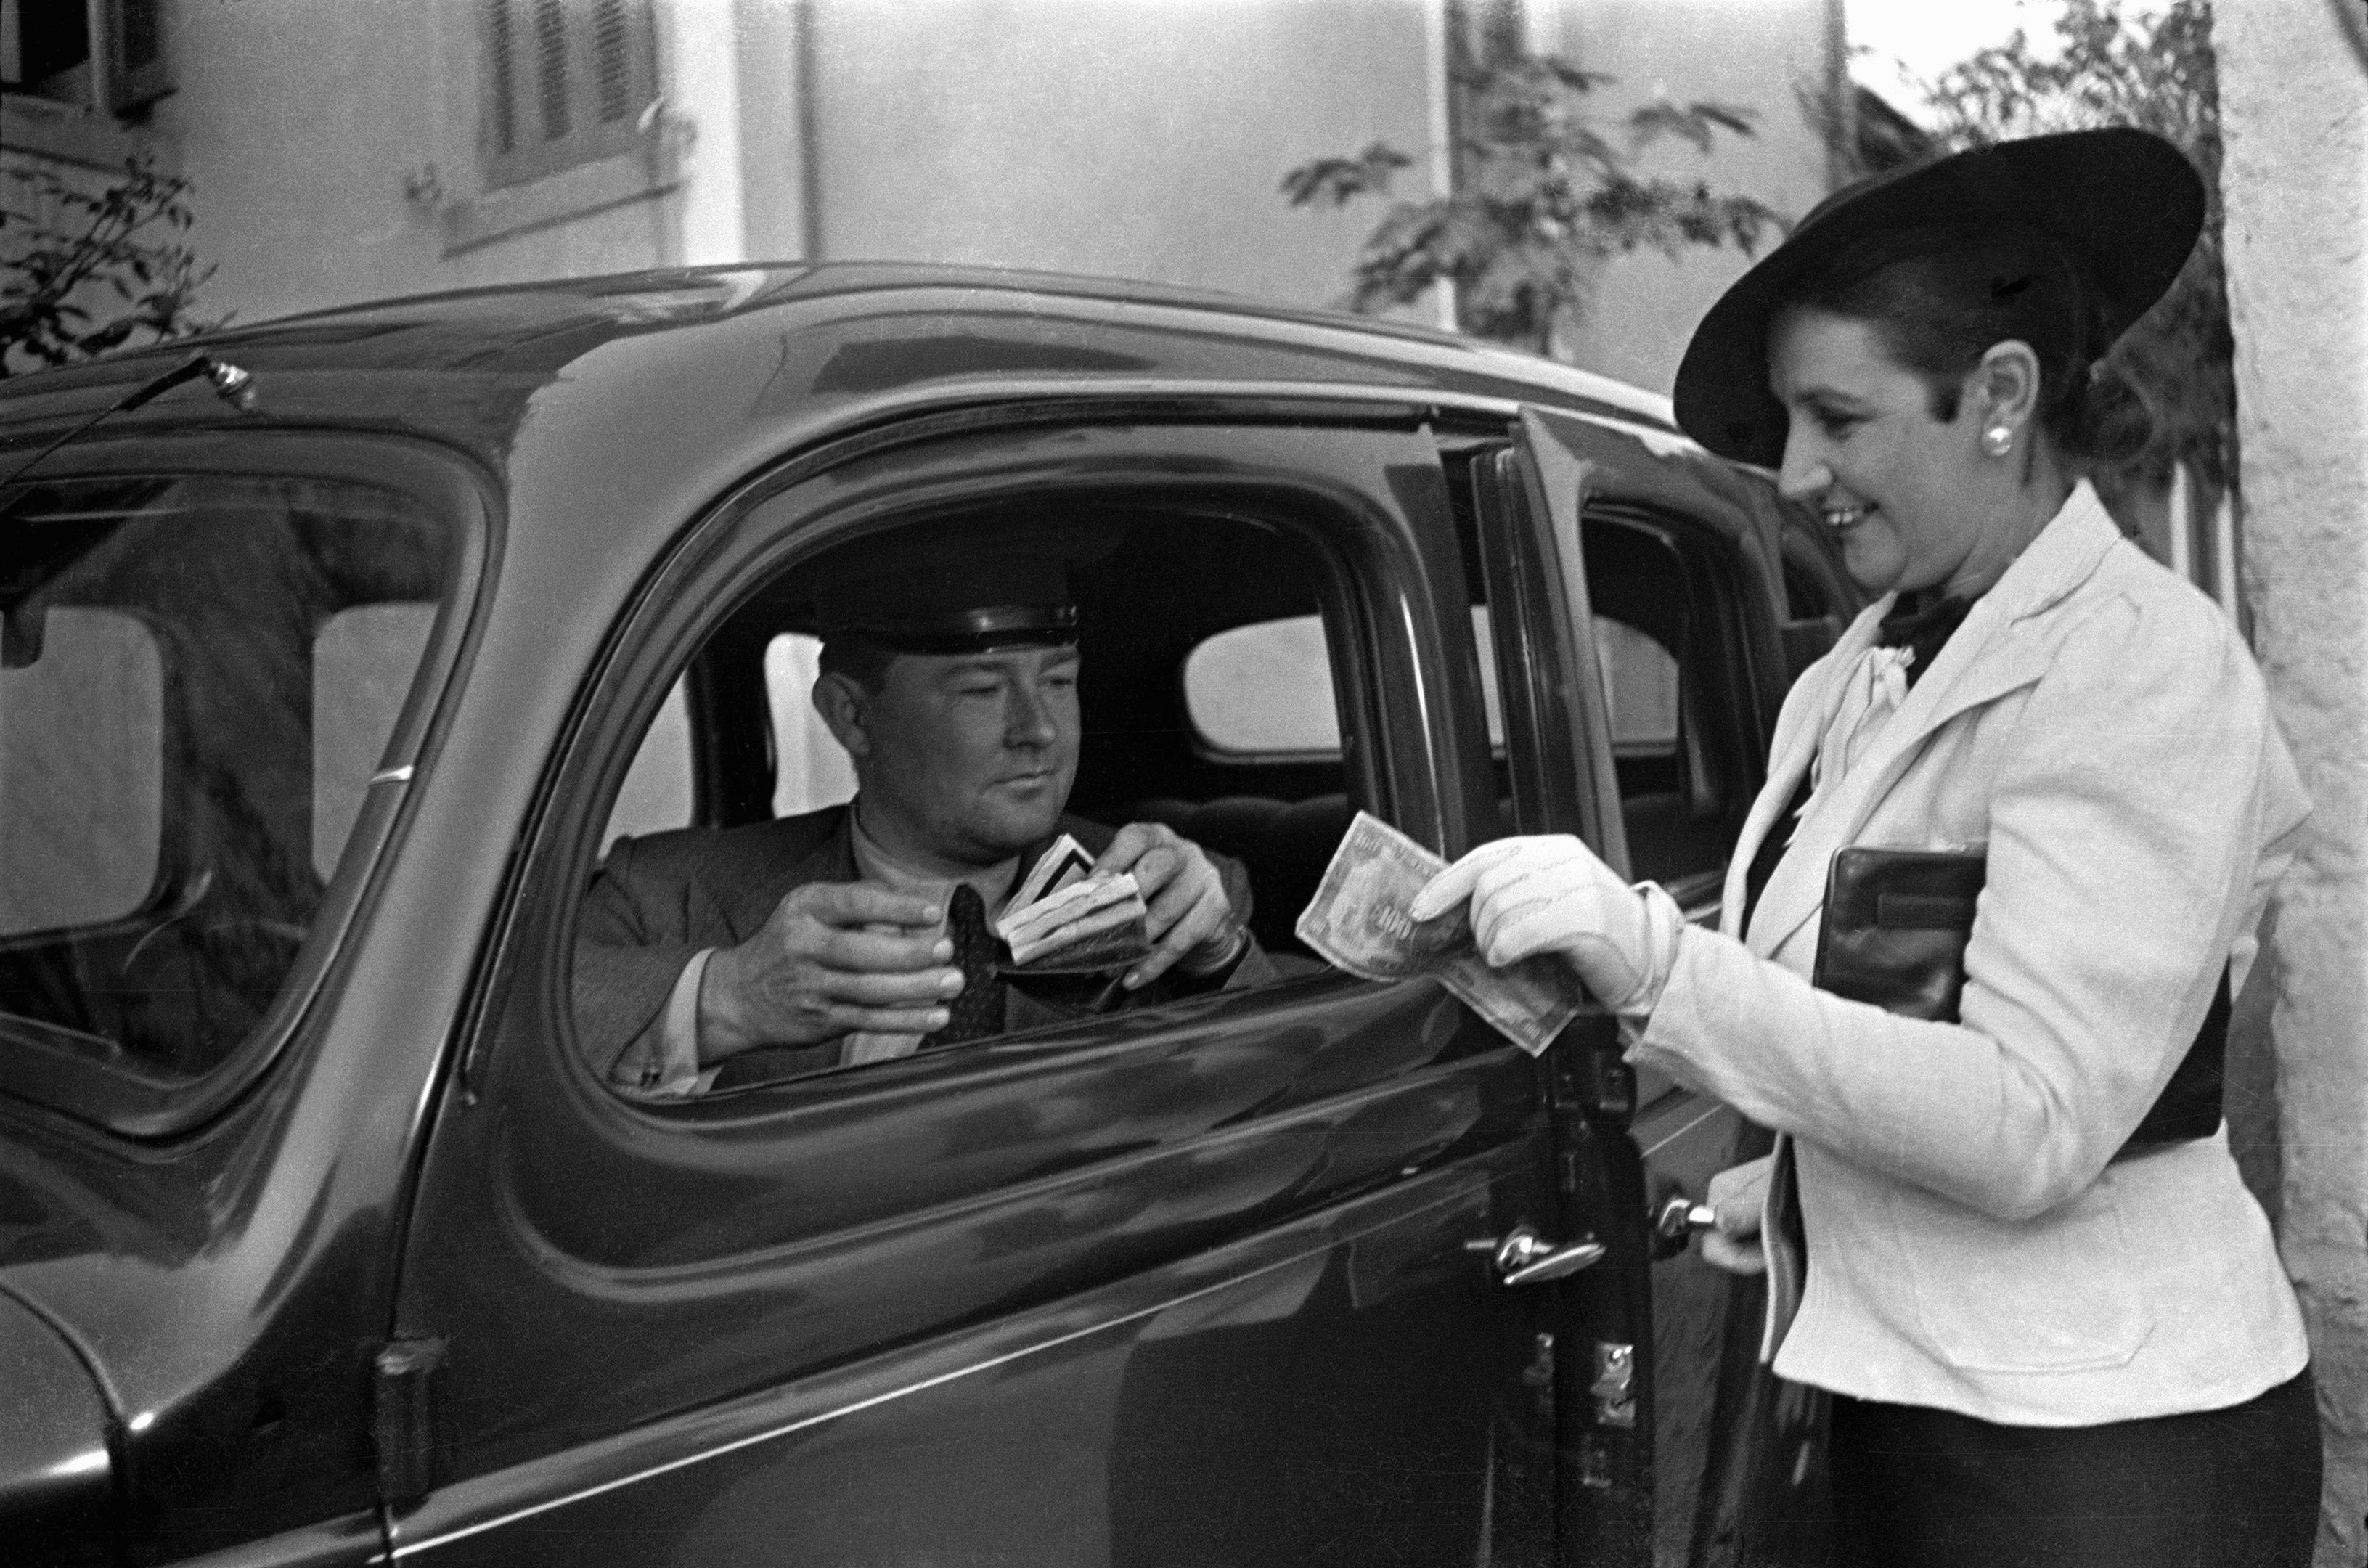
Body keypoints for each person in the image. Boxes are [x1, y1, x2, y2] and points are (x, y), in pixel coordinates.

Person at [1410, 128, 2322, 1565]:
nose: (1791, 473)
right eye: (1785, 423)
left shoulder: (2138, 668)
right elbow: (1867, 1014)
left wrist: (1654, 964)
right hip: (1886, 1405)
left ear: (1998, 397)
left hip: (2097, 1455)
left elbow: (2028, 1124)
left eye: (1836, 419)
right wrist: (1770, 1188)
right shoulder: (1849, 678)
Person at [575, 531, 1272, 1095]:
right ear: (851, 716)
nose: (1039, 731)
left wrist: (1222, 953)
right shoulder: (667, 891)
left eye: (1059, 682)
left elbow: (1292, 1105)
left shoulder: (1175, 894)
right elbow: (499, 1031)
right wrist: (726, 997)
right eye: (979, 691)